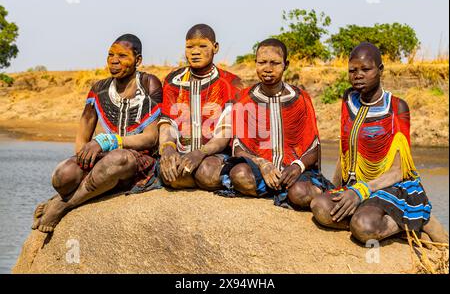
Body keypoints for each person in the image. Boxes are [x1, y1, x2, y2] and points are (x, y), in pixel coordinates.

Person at [310, 42, 448, 244]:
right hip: (356, 183)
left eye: (366, 69)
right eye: (352, 70)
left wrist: (360, 191)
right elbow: (346, 151)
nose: (358, 75)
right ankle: (386, 221)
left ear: (380, 70)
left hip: (389, 185)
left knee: (363, 227)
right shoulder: (348, 99)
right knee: (319, 207)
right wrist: (338, 188)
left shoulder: (396, 107)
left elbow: (399, 171)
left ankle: (413, 221)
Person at [32, 34, 162, 233]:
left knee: (117, 158)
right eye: (110, 55)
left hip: (138, 161)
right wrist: (82, 160)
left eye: (122, 56)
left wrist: (108, 141)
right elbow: (83, 134)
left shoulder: (148, 83)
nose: (114, 60)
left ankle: (63, 205)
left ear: (138, 60)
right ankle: (64, 194)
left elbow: (151, 138)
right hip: (105, 158)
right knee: (62, 175)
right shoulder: (99, 88)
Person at [216, 38, 331, 209]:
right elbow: (239, 147)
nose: (268, 68)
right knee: (239, 174)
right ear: (255, 63)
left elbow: (313, 147)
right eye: (262, 62)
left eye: (275, 63)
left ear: (286, 64)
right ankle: (278, 190)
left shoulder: (300, 98)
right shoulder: (245, 99)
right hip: (261, 171)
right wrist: (262, 163)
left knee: (300, 193)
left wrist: (297, 166)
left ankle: (288, 190)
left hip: (293, 172)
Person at [158, 24, 244, 191]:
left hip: (214, 154)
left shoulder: (230, 82)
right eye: (190, 47)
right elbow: (167, 122)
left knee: (207, 173)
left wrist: (201, 152)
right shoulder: (173, 80)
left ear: (215, 47)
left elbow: (225, 132)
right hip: (181, 150)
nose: (195, 52)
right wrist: (168, 148)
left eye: (202, 46)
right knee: (172, 173)